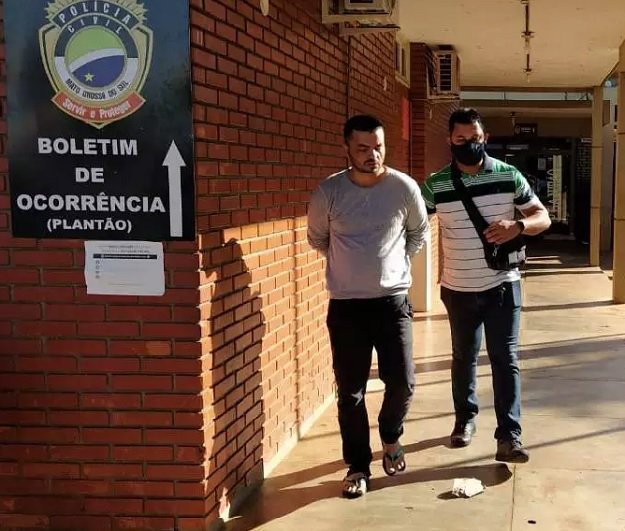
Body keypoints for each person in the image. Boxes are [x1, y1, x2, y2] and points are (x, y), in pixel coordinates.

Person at [307, 114, 430, 498]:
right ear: (346, 148)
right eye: (362, 148)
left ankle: (390, 435)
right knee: (351, 393)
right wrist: (352, 268)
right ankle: (358, 466)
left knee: (403, 382)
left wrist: (396, 264)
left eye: (377, 147)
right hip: (347, 307)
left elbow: (419, 231)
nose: (371, 155)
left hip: (392, 303)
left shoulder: (403, 187)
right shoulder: (329, 192)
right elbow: (318, 239)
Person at [421, 108, 551, 463]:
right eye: (461, 139)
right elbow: (413, 223)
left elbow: (542, 216)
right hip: (458, 288)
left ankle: (509, 436)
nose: (469, 144)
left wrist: (518, 226)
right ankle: (465, 420)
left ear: (485, 138)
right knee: (463, 357)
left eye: (475, 138)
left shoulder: (508, 175)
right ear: (450, 140)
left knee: (504, 358)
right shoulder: (436, 184)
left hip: (502, 286)